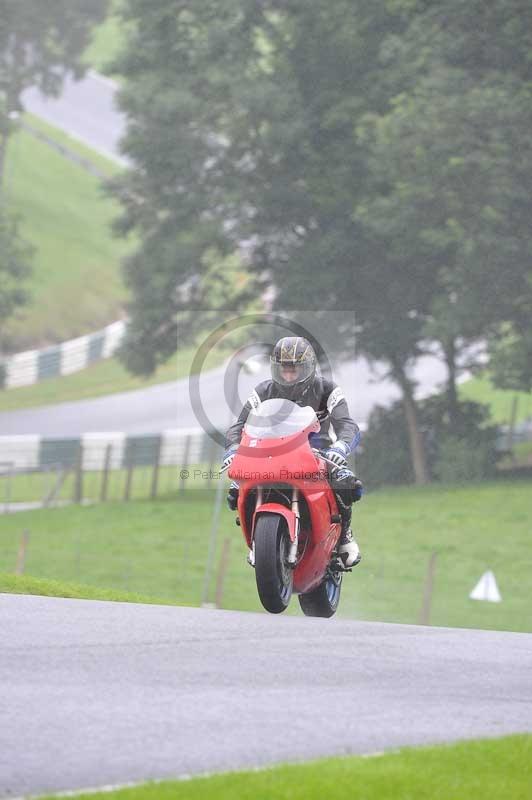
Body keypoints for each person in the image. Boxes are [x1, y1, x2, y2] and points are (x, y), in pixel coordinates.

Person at [222, 336, 363, 569]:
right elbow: (239, 426)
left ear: (309, 368)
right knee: (235, 491)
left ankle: (345, 535)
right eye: (284, 370)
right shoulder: (263, 390)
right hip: (270, 452)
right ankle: (258, 540)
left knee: (347, 484)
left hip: (318, 451)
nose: (289, 376)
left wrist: (340, 447)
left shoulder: (328, 390)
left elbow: (347, 425)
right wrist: (233, 449)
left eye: (295, 370)